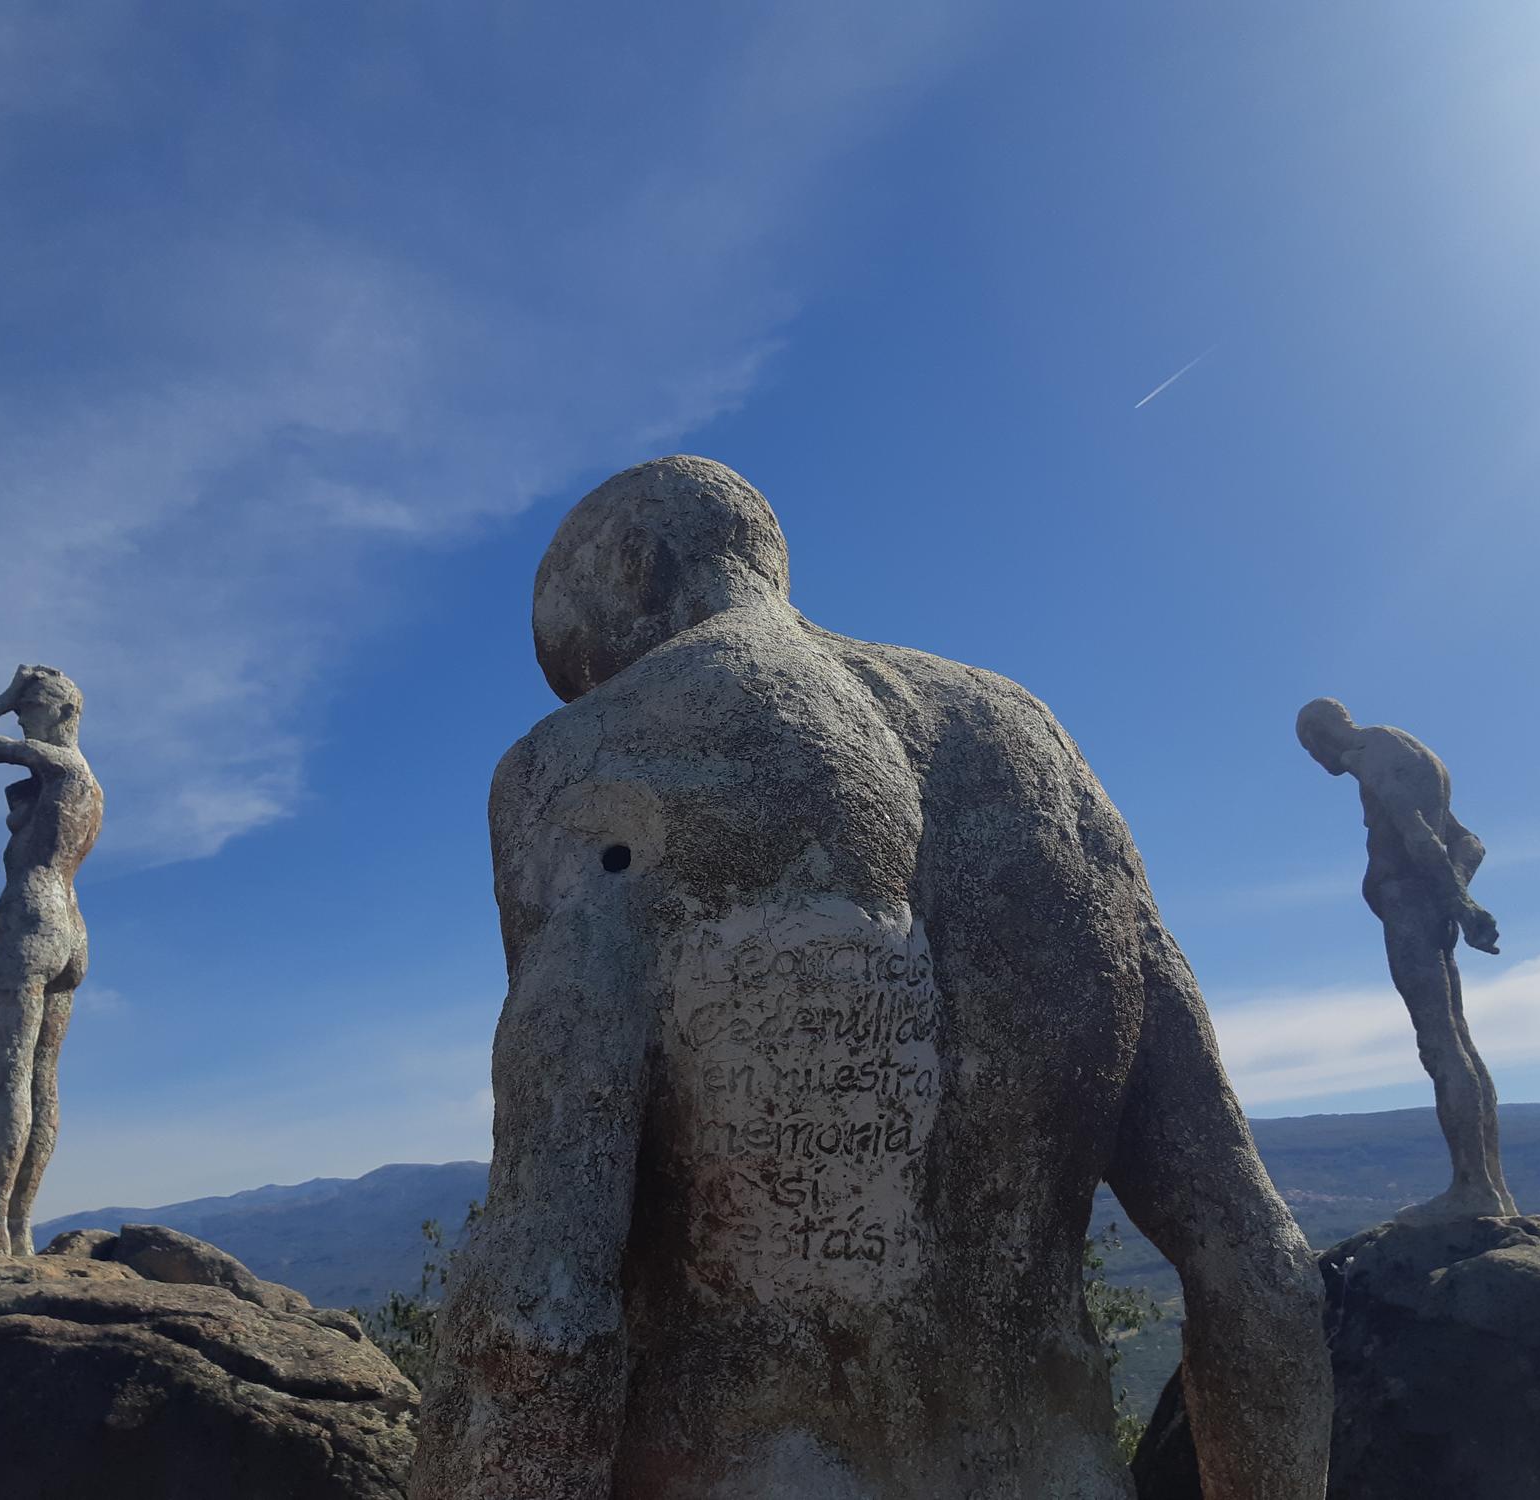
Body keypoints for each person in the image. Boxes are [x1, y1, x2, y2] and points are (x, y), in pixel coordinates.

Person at [413, 458, 1330, 1500]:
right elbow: (1257, 1269)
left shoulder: (592, 759)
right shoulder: (1035, 751)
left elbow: (539, 1304)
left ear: (634, 563)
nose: (590, 692)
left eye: (580, 660)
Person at [1296, 696, 1516, 1221]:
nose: (1320, 764)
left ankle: (1473, 1189)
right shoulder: (1413, 751)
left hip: (1410, 907)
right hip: (1432, 904)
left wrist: (1459, 904)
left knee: (1438, 1043)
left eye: (1310, 751)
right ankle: (1493, 1187)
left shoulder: (1370, 756)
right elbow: (1471, 842)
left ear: (1318, 737)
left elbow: (1417, 834)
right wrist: (1456, 894)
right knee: (1460, 1038)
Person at [0, 664, 103, 1255]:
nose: (23, 719)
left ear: (62, 714)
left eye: (32, 709)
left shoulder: (57, 761)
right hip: (72, 931)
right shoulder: (89, 784)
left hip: (31, 922)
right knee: (43, 1083)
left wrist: (3, 697)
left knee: (5, 1081)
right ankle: (21, 1232)